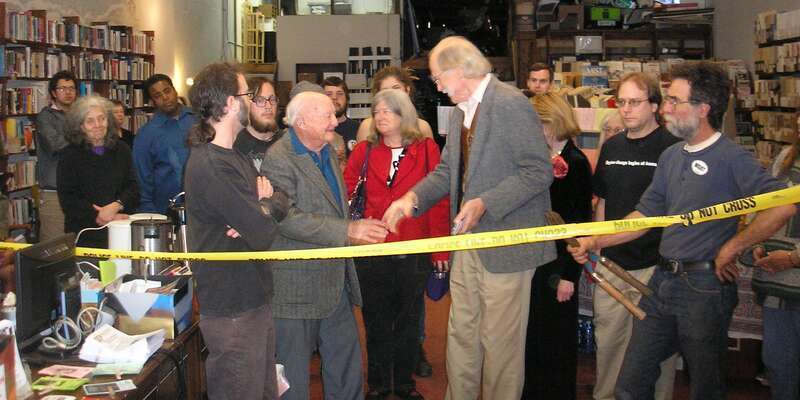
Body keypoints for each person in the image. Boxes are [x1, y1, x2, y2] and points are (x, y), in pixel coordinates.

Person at [568, 61, 796, 400]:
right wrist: (596, 239)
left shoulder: (732, 157)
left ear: (702, 109)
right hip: (663, 282)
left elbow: (783, 205)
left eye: (675, 101)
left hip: (705, 289)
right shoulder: (672, 156)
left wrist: (732, 247)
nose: (668, 109)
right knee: (630, 383)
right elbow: (644, 215)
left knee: (705, 385)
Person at [383, 36, 556, 400]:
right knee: (461, 337)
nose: (436, 85)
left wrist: (484, 203)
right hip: (467, 243)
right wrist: (411, 198)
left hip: (506, 245)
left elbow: (538, 172)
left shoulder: (510, 104)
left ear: (459, 71)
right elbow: (448, 171)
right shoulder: (462, 112)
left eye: (437, 77)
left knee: (501, 348)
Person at [260, 91, 389, 400]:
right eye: (327, 116)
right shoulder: (278, 158)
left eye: (334, 114)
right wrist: (347, 230)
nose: (335, 121)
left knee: (347, 369)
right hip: (296, 287)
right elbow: (286, 217)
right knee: (292, 380)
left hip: (335, 281)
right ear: (301, 121)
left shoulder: (328, 149)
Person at [185, 62, 288, 400]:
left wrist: (264, 205)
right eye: (246, 95)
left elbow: (280, 202)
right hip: (232, 309)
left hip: (255, 299)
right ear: (229, 103)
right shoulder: (211, 165)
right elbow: (262, 232)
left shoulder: (236, 156)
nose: (251, 101)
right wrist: (260, 209)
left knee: (264, 392)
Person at [343, 89, 449, 400]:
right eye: (377, 112)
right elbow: (348, 194)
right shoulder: (363, 152)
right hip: (373, 251)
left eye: (388, 111)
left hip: (413, 250)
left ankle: (404, 384)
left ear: (404, 114)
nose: (381, 116)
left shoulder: (427, 150)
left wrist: (440, 248)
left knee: (408, 323)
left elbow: (439, 203)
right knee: (375, 322)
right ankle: (377, 385)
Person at [590, 72, 681, 400]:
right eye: (621, 102)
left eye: (635, 102)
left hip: (655, 266)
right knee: (609, 344)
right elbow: (602, 200)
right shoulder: (612, 146)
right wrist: (598, 250)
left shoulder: (672, 149)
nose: (626, 110)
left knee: (657, 351)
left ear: (655, 105)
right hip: (612, 263)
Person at [523, 92, 592, 400]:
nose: (536, 130)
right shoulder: (536, 159)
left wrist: (570, 275)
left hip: (560, 264)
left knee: (558, 342)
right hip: (535, 261)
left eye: (540, 124)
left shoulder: (576, 163)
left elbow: (580, 224)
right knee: (533, 337)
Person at [751, 113, 800, 400]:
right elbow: (766, 206)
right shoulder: (785, 158)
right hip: (778, 286)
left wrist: (794, 258)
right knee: (779, 365)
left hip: (789, 269)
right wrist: (758, 243)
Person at [56, 95, 139, 248]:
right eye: (90, 121)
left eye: (102, 119)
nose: (98, 125)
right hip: (85, 233)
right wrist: (100, 216)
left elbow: (133, 187)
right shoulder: (69, 155)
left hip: (121, 229)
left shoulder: (122, 149)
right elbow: (68, 199)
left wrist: (116, 205)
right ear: (80, 126)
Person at [133, 73, 197, 214]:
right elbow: (142, 179)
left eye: (167, 91)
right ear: (152, 101)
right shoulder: (146, 135)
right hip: (166, 211)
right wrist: (150, 215)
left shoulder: (198, 120)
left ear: (174, 90)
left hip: (204, 205)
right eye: (157, 96)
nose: (165, 98)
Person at [36, 70, 78, 241]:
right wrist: (82, 135)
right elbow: (56, 145)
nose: (68, 92)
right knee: (54, 245)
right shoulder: (45, 116)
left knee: (78, 242)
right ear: (53, 92)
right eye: (62, 88)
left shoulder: (80, 115)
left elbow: (96, 148)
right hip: (54, 191)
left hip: (78, 191)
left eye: (72, 88)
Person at [356, 66, 433, 143]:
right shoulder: (367, 127)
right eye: (385, 91)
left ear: (407, 90)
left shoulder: (422, 127)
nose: (391, 95)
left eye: (396, 88)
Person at [233, 77, 283, 170]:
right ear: (246, 104)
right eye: (260, 100)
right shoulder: (235, 146)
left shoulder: (287, 143)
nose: (268, 106)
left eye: (272, 99)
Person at [323, 76, 360, 158]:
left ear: (347, 99)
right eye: (329, 94)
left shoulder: (358, 128)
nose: (334, 98)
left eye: (339, 94)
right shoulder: (316, 129)